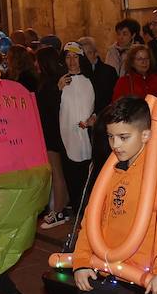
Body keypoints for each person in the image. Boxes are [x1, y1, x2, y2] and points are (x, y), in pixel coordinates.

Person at [71, 97, 157, 294]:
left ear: (146, 135)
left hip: (142, 287)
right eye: (111, 137)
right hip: (103, 276)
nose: (115, 145)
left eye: (124, 137)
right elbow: (91, 221)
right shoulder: (111, 175)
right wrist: (81, 261)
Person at [37, 46, 74, 229]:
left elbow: (52, 107)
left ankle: (58, 210)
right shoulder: (52, 80)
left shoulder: (54, 82)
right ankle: (63, 208)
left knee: (57, 171)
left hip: (53, 131)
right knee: (58, 171)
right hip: (54, 130)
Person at [59, 42, 97, 214]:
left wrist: (94, 118)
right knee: (72, 177)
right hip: (66, 137)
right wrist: (57, 89)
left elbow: (101, 104)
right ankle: (77, 211)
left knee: (88, 177)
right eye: (68, 57)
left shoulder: (91, 80)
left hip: (88, 135)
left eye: (75, 57)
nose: (72, 61)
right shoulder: (60, 81)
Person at [76, 36, 119, 115]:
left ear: (96, 53)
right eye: (83, 54)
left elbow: (113, 98)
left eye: (89, 53)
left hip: (103, 116)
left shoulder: (109, 72)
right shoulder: (75, 73)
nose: (85, 57)